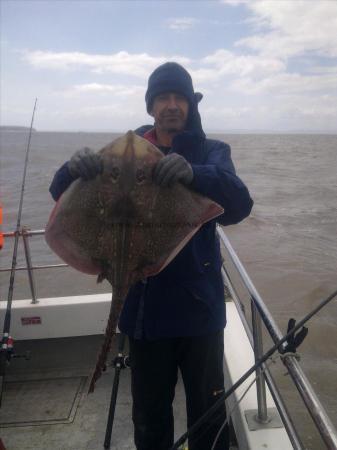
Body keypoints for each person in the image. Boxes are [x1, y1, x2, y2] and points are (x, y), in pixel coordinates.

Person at [49, 62, 253, 450]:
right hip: (144, 315)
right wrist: (70, 170)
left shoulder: (212, 152)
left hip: (199, 314)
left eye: (180, 97)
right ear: (151, 106)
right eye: (163, 98)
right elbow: (63, 197)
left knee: (209, 418)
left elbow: (240, 205)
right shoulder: (121, 157)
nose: (172, 105)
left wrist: (194, 173)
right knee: (149, 418)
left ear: (191, 105)